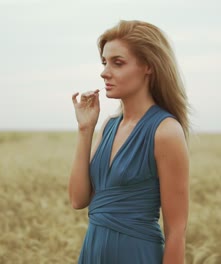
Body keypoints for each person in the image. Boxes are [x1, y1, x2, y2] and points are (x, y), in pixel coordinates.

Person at [69, 19, 190, 264]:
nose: (104, 72)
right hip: (93, 252)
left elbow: (177, 232)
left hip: (136, 255)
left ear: (148, 66)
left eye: (118, 62)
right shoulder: (108, 126)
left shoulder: (165, 132)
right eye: (104, 62)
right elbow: (78, 199)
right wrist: (85, 129)